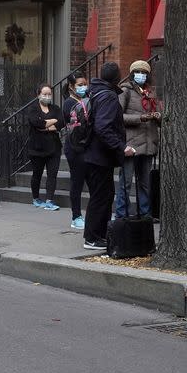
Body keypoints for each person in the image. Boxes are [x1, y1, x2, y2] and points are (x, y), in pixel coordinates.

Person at [82, 62, 128, 250]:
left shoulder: (96, 92)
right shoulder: (108, 96)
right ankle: (93, 237)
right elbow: (103, 127)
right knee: (101, 197)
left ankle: (97, 235)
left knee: (102, 196)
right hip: (99, 156)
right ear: (117, 77)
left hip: (93, 154)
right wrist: (121, 146)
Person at [115, 60, 160, 219]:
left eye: (144, 72)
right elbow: (118, 116)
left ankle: (145, 214)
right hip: (131, 144)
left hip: (148, 144)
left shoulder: (150, 92)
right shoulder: (125, 90)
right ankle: (122, 215)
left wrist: (157, 116)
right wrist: (140, 117)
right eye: (137, 72)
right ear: (132, 74)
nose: (141, 75)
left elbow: (158, 114)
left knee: (145, 184)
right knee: (125, 183)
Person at [27, 83, 64, 211]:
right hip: (37, 147)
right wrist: (52, 122)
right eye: (44, 94)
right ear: (38, 95)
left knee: (52, 174)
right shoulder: (33, 109)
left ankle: (49, 200)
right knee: (37, 174)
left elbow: (61, 122)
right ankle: (36, 198)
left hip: (54, 147)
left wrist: (46, 125)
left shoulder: (56, 108)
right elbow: (36, 123)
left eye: (49, 94)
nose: (47, 97)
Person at [62, 71, 89, 229]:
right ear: (71, 87)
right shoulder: (69, 103)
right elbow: (77, 125)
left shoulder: (85, 100)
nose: (83, 87)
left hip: (85, 147)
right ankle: (76, 216)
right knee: (77, 183)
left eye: (85, 84)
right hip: (75, 147)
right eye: (80, 85)